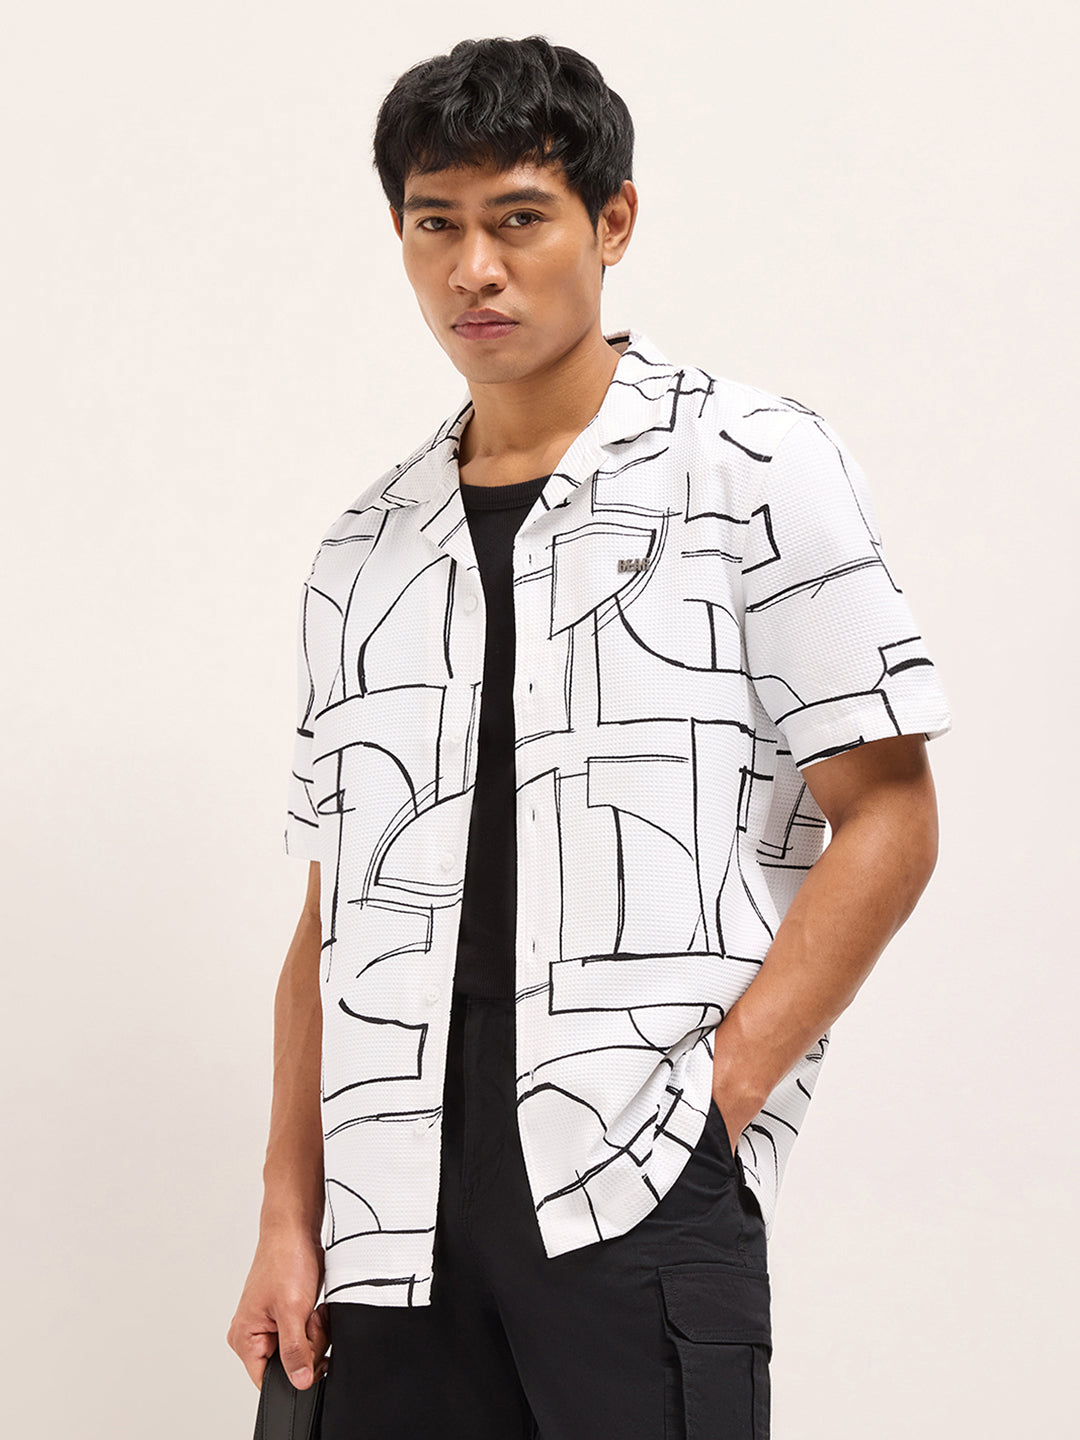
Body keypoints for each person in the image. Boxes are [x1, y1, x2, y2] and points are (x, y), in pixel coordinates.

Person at [227, 34, 952, 1439]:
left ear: (612, 221)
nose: (473, 270)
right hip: (385, 1215)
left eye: (518, 220)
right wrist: (284, 1212)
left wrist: (717, 1103)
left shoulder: (750, 463)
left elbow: (891, 814)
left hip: (633, 1177)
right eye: (435, 225)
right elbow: (330, 917)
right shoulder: (363, 550)